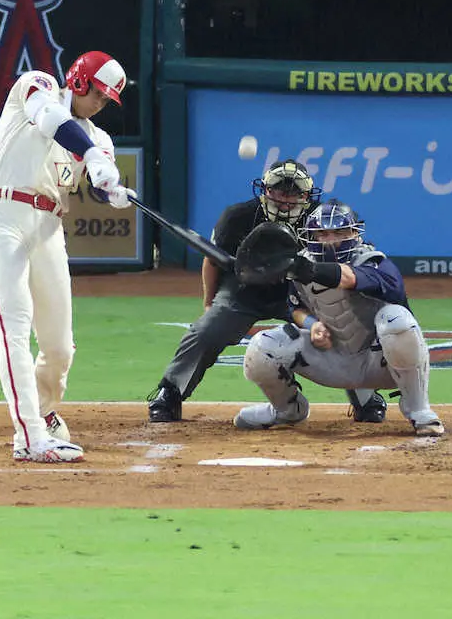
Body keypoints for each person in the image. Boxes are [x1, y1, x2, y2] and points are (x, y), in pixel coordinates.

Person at [0, 50, 133, 463]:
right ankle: (30, 437)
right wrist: (91, 156)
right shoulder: (37, 85)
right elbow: (50, 121)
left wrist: (109, 188)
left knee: (60, 347)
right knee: (15, 327)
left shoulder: (99, 138)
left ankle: (43, 412)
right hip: (0, 215)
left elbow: (95, 179)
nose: (100, 104)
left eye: (107, 100)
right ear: (79, 80)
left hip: (48, 227)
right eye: (98, 93)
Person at [147, 160, 388, 424]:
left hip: (301, 292)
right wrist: (209, 303)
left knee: (340, 327)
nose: (286, 200)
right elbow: (213, 260)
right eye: (280, 192)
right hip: (243, 291)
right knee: (207, 330)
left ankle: (365, 398)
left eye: (294, 193)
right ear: (265, 191)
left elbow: (345, 256)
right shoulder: (238, 216)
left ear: (307, 196)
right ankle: (169, 392)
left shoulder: (320, 219)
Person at [234, 200, 445, 436]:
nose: (331, 240)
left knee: (397, 320)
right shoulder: (303, 265)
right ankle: (286, 410)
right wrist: (313, 325)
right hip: (333, 359)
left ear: (355, 233)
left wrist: (304, 269)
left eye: (339, 232)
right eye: (322, 233)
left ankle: (418, 410)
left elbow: (349, 278)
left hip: (381, 363)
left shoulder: (374, 262)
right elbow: (294, 308)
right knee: (263, 346)